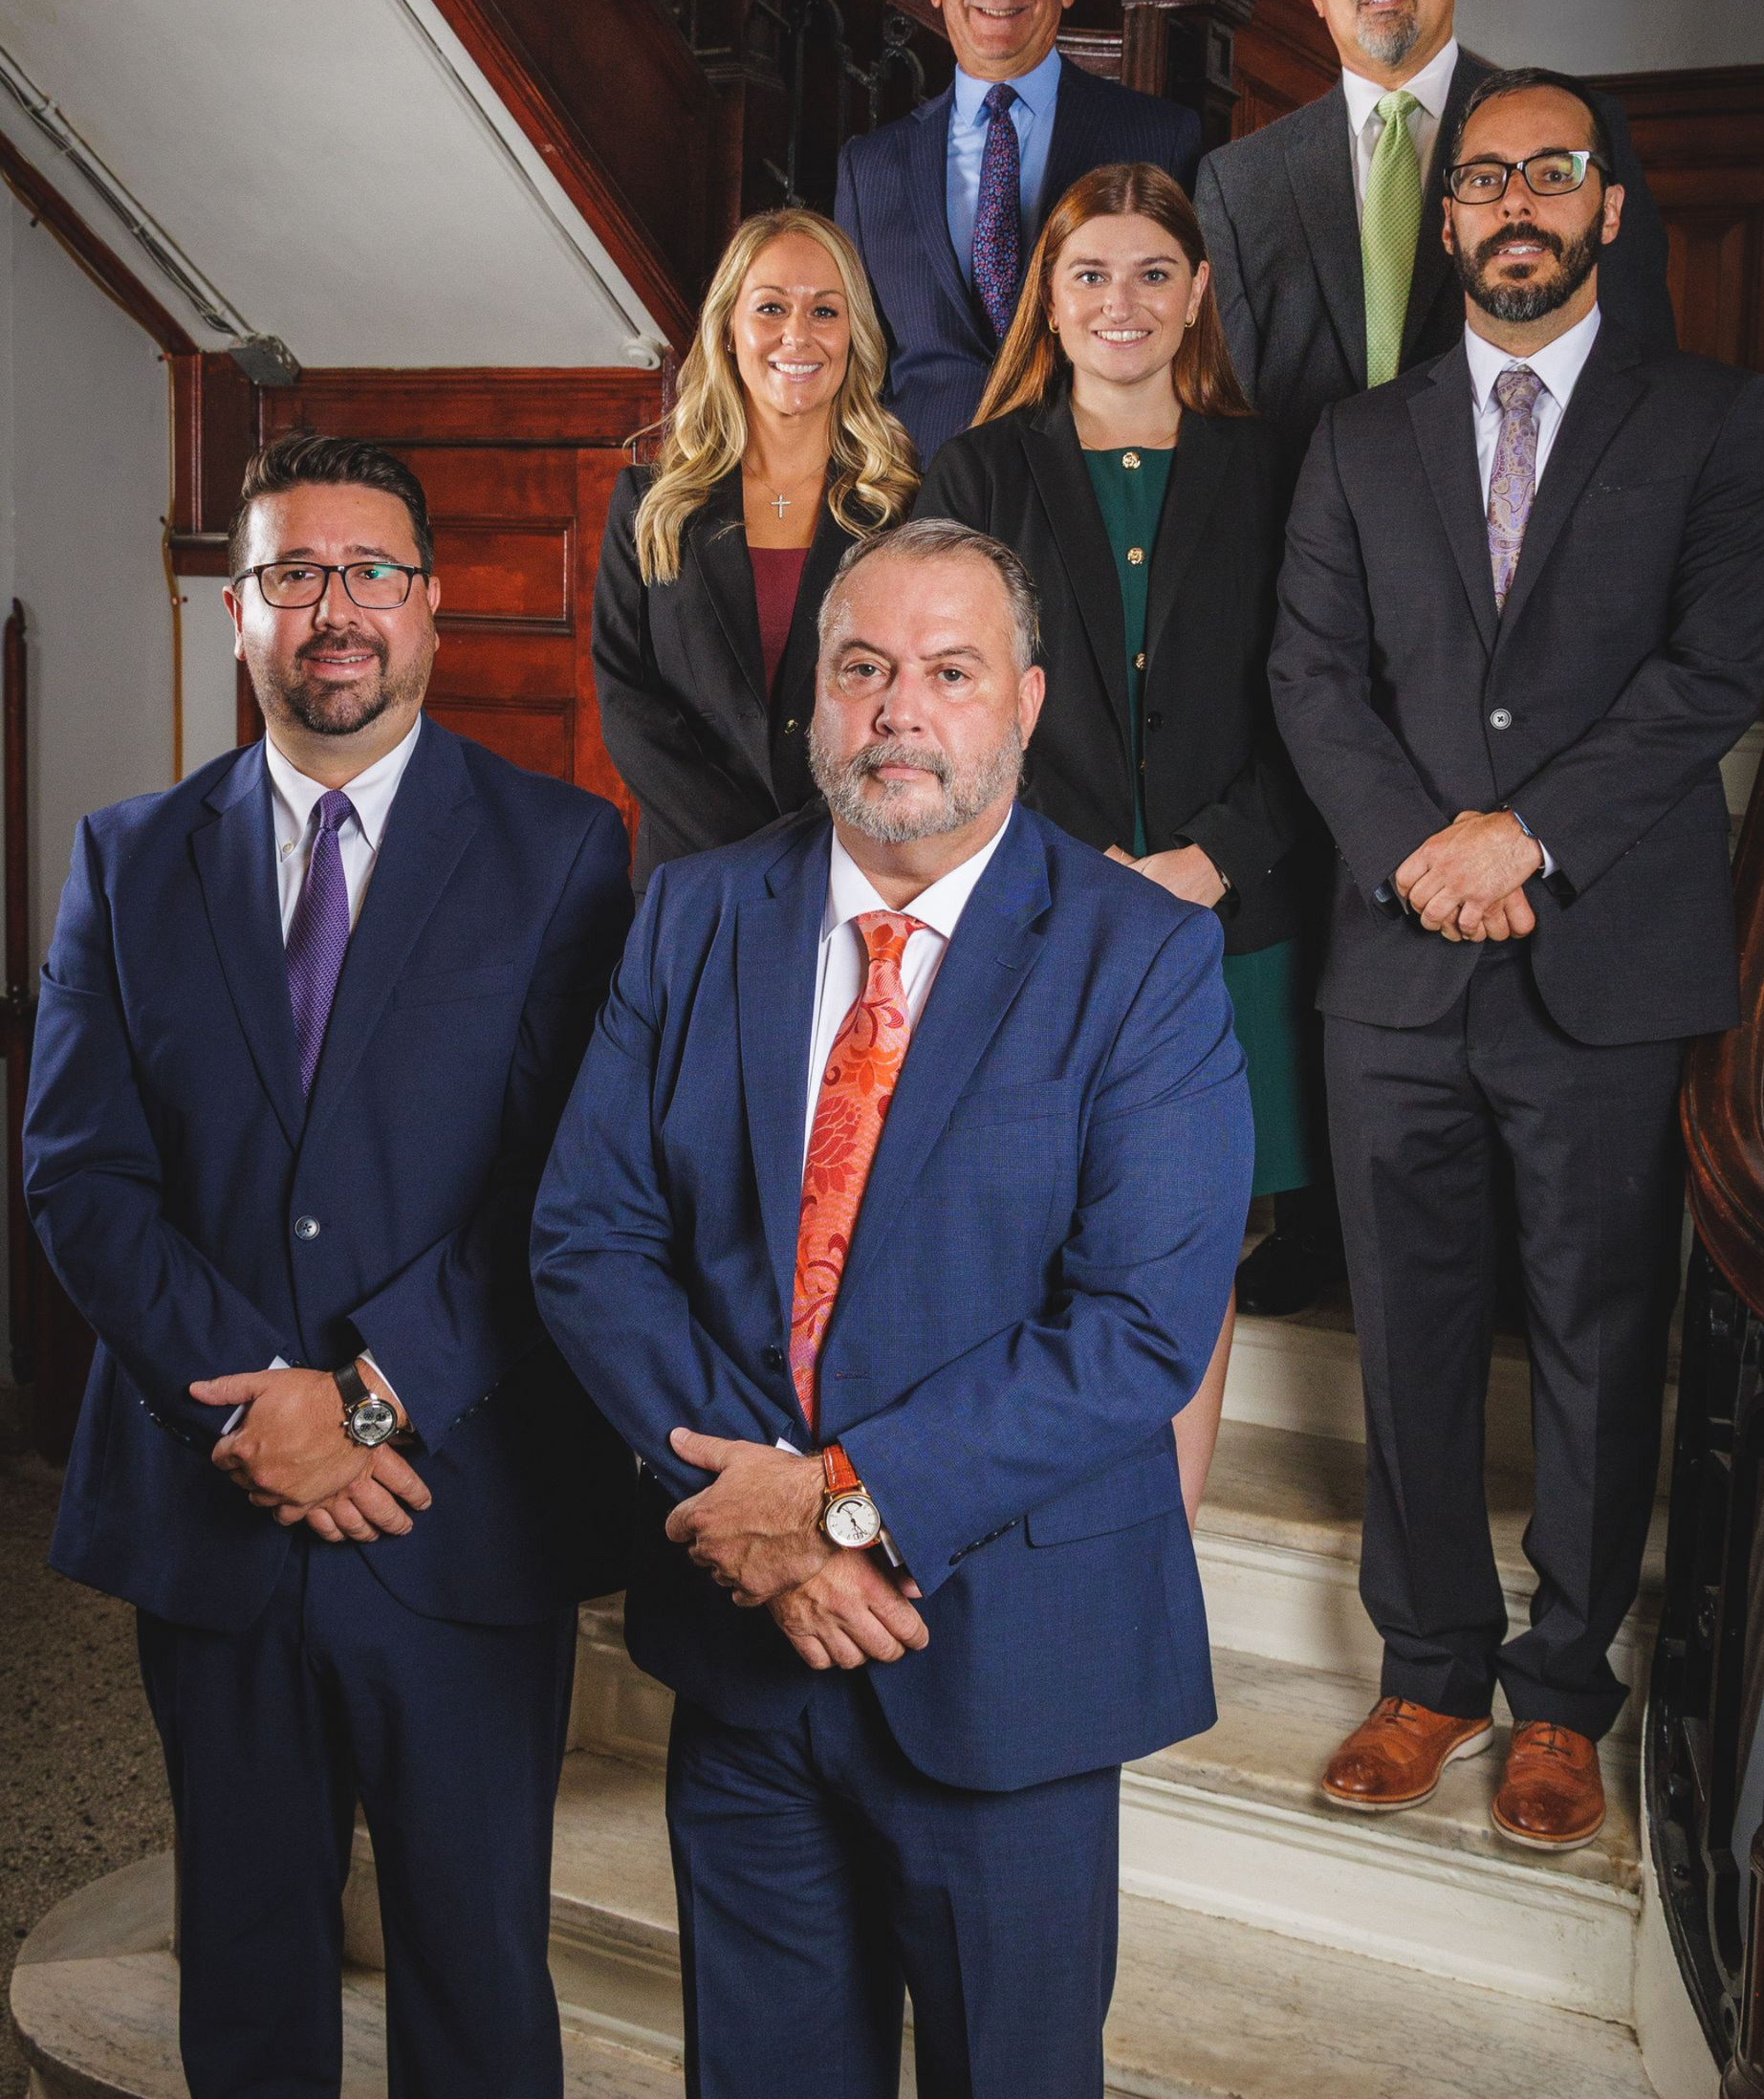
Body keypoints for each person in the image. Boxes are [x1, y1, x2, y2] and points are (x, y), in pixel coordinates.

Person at [534, 518, 1251, 2098]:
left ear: (1027, 700)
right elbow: (589, 1236)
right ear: (815, 708)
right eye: (862, 671)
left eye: (948, 671)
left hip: (1004, 1658)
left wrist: (837, 1513)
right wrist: (752, 1518)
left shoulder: (1142, 958)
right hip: (744, 1651)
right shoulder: (696, 914)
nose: (900, 712)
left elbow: (1137, 1325)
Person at [24, 434, 636, 2098]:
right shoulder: (127, 859)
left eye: (371, 574)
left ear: (433, 609)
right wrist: (253, 1412)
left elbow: (561, 1191)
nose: (334, 610)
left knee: (474, 1965)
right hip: (209, 1509)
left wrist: (365, 1402)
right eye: (294, 574)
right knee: (243, 1959)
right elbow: (82, 1175)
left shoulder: (562, 854)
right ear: (241, 611)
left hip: (455, 1504)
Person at [1269, 68, 1764, 1851]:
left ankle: (1565, 1698)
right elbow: (1312, 682)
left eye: (1549, 174)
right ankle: (1427, 1672)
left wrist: (1527, 839)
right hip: (1395, 967)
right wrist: (1428, 856)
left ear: (1609, 207)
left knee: (1595, 1330)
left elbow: (1712, 678)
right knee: (1407, 1334)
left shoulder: (1719, 425)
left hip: (1605, 963)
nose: (1514, 202)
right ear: (1450, 213)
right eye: (1484, 175)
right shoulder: (1356, 439)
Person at [1196, 0, 1678, 1319]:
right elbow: (1246, 412)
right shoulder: (1241, 177)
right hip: (1335, 616)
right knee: (1353, 942)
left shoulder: (1554, 142)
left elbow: (1632, 387)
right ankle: (1334, 1229)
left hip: (1541, 630)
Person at [919, 162, 1305, 1520]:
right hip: (1035, 916)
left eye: (1153, 273)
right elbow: (944, 688)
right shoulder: (977, 469)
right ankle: (1031, 1502)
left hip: (1222, 921)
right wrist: (1056, 859)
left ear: (1198, 292)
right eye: (1089, 275)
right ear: (1050, 299)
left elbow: (1320, 694)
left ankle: (1161, 1534)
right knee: (1036, 1221)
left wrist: (1215, 855)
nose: (1121, 302)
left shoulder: (1276, 467)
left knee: (1193, 1240)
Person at [836, 0, 1201, 469]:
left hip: (1099, 484)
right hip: (921, 502)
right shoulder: (868, 167)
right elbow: (854, 367)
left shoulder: (1160, 137)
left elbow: (1192, 343)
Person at [595, 208, 919, 890]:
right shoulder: (648, 504)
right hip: (692, 873)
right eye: (770, 307)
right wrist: (757, 852)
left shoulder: (905, 511)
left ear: (854, 333)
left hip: (858, 874)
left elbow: (912, 704)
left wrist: (826, 851)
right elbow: (628, 703)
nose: (797, 335)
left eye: (825, 311)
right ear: (728, 330)